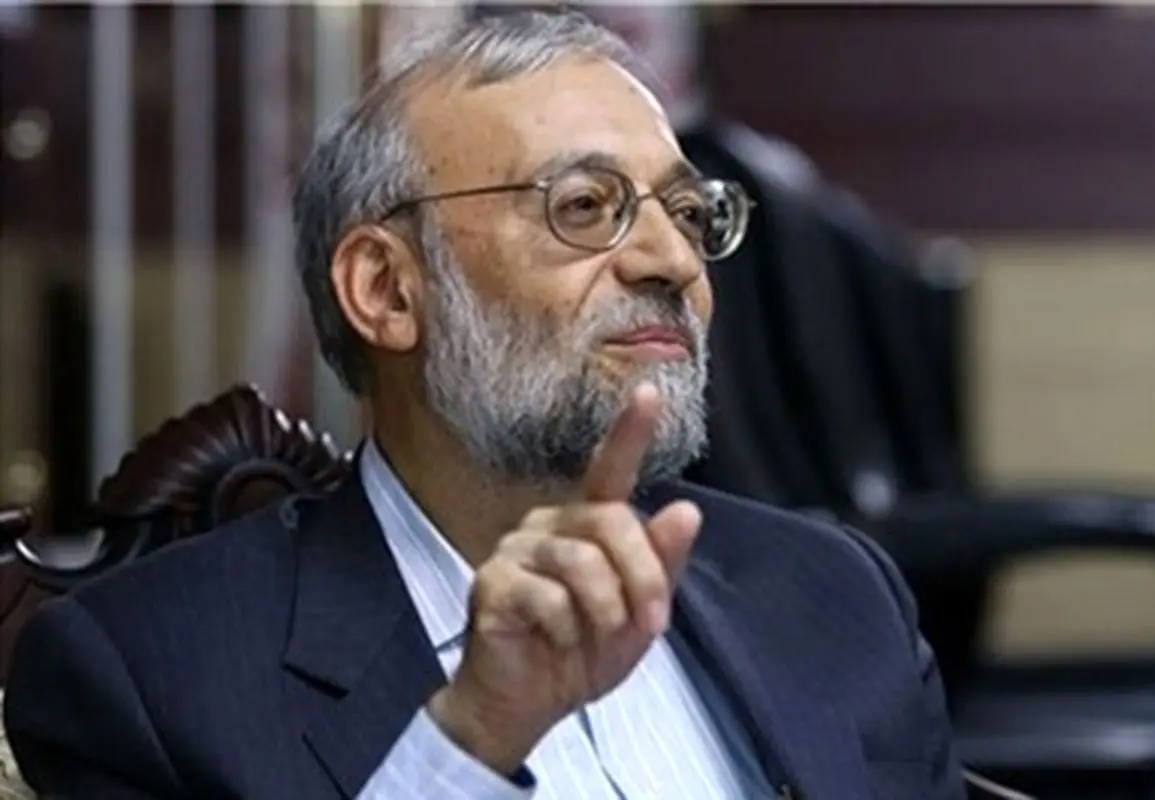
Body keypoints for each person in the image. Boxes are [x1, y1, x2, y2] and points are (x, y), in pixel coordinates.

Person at [3, 11, 966, 800]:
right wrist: (466, 745)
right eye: (584, 206)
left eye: (687, 213)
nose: (673, 261)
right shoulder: (142, 678)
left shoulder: (835, 597)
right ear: (387, 290)